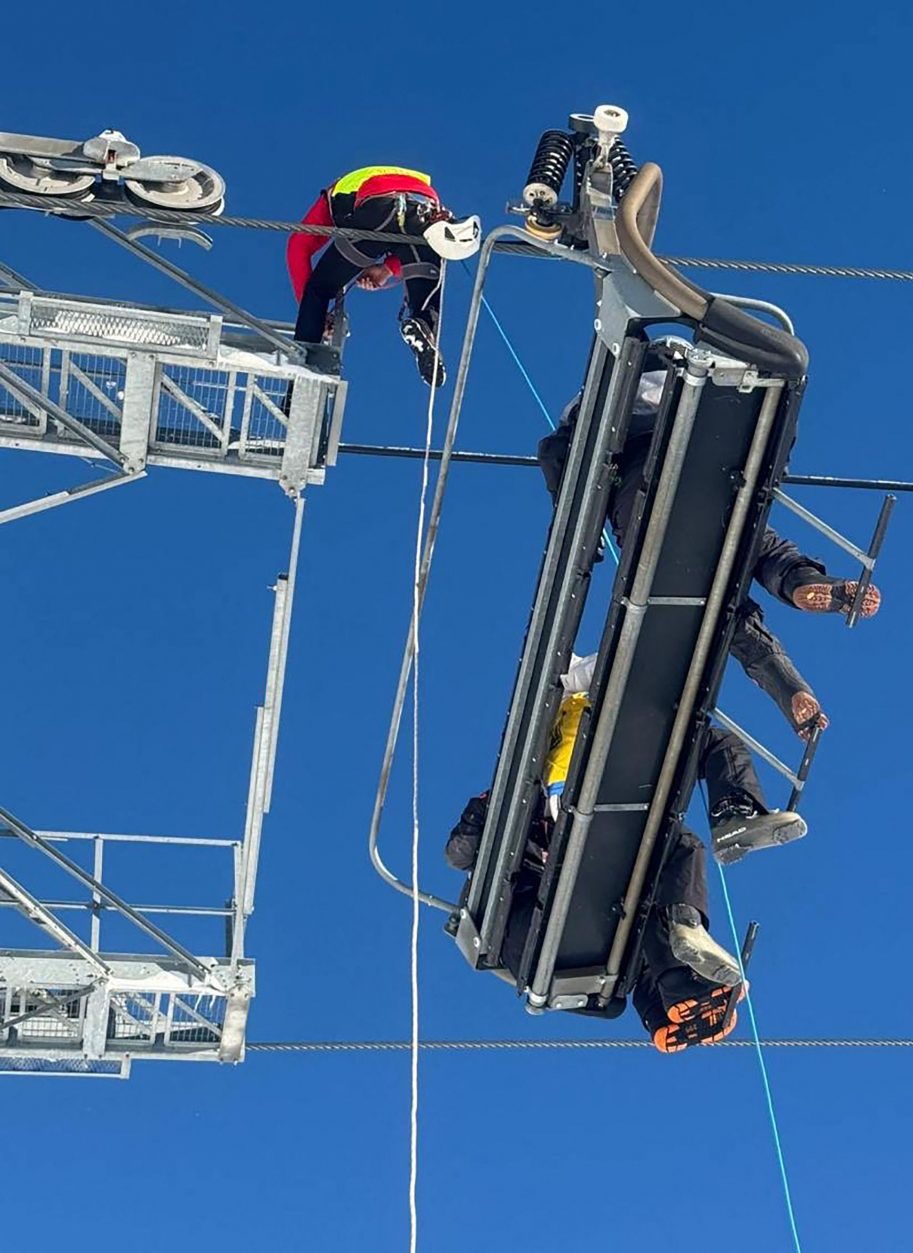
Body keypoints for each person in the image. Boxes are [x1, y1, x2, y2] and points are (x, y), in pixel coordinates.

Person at [445, 656, 804, 1052]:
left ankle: (676, 995)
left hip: (578, 904)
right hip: (542, 916)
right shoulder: (518, 829)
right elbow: (459, 853)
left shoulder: (555, 792)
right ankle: (684, 948)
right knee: (677, 850)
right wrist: (493, 808)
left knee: (644, 901)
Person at [538, 358, 881, 737]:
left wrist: (587, 539)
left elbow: (556, 460)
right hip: (705, 477)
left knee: (720, 616)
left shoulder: (589, 412)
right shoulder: (686, 368)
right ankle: (802, 583)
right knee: (757, 546)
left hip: (641, 506)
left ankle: (788, 686)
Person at [286, 166, 478, 387]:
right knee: (427, 272)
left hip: (377, 211)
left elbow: (298, 246)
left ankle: (302, 370)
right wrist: (386, 270)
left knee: (318, 290)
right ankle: (423, 325)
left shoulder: (336, 192)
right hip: (424, 214)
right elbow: (403, 233)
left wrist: (313, 313)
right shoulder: (418, 182)